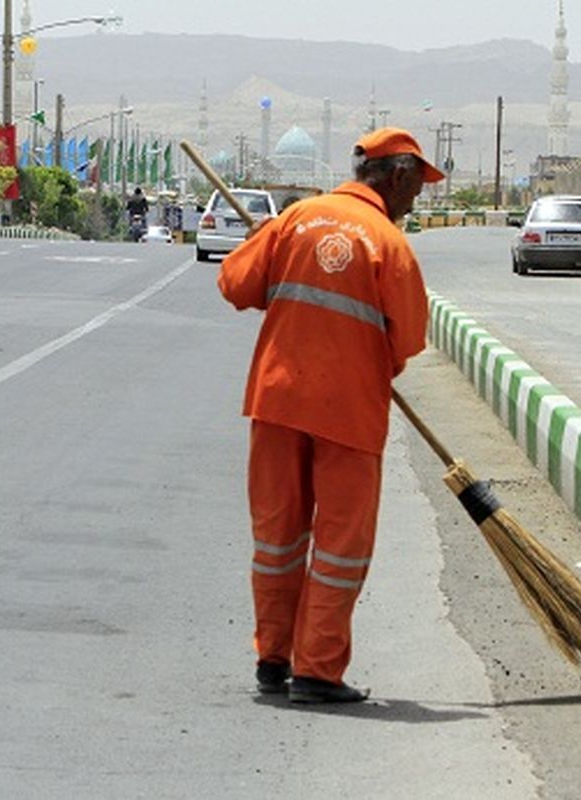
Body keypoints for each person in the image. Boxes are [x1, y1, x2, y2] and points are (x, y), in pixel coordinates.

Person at [217, 127, 445, 704]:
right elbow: (410, 340)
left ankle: (274, 658)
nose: (416, 199)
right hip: (349, 413)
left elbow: (235, 285)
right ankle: (316, 669)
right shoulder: (389, 245)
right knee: (341, 546)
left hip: (276, 402)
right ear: (396, 176)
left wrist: (273, 263)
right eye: (417, 186)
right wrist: (368, 359)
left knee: (278, 538)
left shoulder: (296, 219)